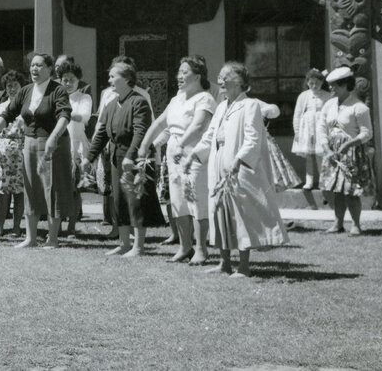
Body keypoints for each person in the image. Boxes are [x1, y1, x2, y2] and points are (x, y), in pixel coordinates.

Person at [184, 62, 289, 277]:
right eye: (219, 76)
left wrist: (239, 161)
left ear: (240, 82)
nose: (220, 80)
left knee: (241, 214)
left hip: (238, 167)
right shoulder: (222, 106)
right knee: (219, 212)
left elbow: (252, 139)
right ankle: (224, 263)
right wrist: (194, 154)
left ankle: (243, 266)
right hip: (218, 162)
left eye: (225, 76)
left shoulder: (250, 106)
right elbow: (210, 136)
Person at [0, 52, 72, 249]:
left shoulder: (58, 90)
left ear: (50, 69)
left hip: (52, 144)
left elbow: (65, 115)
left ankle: (53, 238)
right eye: (32, 65)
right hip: (30, 144)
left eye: (39, 65)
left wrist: (53, 137)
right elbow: (7, 114)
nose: (34, 69)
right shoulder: (25, 91)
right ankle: (30, 238)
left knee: (52, 190)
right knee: (30, 188)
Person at [138, 55, 216, 264]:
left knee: (195, 201)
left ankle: (201, 249)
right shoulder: (176, 99)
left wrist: (181, 145)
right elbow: (160, 124)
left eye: (185, 72)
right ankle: (185, 247)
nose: (179, 76)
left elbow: (198, 126)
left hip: (194, 155)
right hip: (174, 155)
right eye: (179, 72)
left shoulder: (205, 99)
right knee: (177, 202)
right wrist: (145, 145)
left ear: (198, 76)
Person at [85, 62, 153, 256]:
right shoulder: (111, 104)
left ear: (127, 79)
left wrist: (131, 156)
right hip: (116, 158)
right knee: (119, 202)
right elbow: (101, 134)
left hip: (132, 159)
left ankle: (138, 246)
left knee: (135, 201)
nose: (109, 80)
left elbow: (141, 132)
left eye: (113, 76)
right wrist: (89, 157)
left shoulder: (138, 102)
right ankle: (124, 244)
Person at [317, 66, 374, 236]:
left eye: (335, 85)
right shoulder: (329, 105)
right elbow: (321, 127)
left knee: (350, 190)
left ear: (344, 85)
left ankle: (356, 225)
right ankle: (338, 223)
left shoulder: (359, 107)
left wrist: (350, 144)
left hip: (352, 153)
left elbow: (367, 133)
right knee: (335, 190)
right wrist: (326, 147)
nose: (331, 88)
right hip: (332, 152)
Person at [56, 60, 91, 236]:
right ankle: (57, 225)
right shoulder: (56, 96)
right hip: (58, 145)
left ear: (78, 81)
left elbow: (83, 116)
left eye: (71, 79)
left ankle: (71, 225)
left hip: (76, 145)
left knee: (74, 189)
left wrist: (63, 113)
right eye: (64, 79)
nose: (68, 83)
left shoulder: (84, 98)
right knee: (58, 187)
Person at [0, 70, 25, 237]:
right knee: (1, 192)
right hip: (1, 154)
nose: (12, 89)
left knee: (18, 192)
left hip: (21, 153)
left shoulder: (27, 108)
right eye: (9, 86)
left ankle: (16, 227)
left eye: (15, 85)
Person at [293, 68, 332, 190]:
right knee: (309, 156)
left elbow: (331, 113)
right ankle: (309, 181)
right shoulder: (303, 96)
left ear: (321, 83)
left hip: (321, 127)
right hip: (307, 128)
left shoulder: (327, 96)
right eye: (311, 83)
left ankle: (323, 181)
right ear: (307, 83)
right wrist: (297, 131)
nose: (314, 86)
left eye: (317, 83)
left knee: (321, 155)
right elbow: (297, 114)